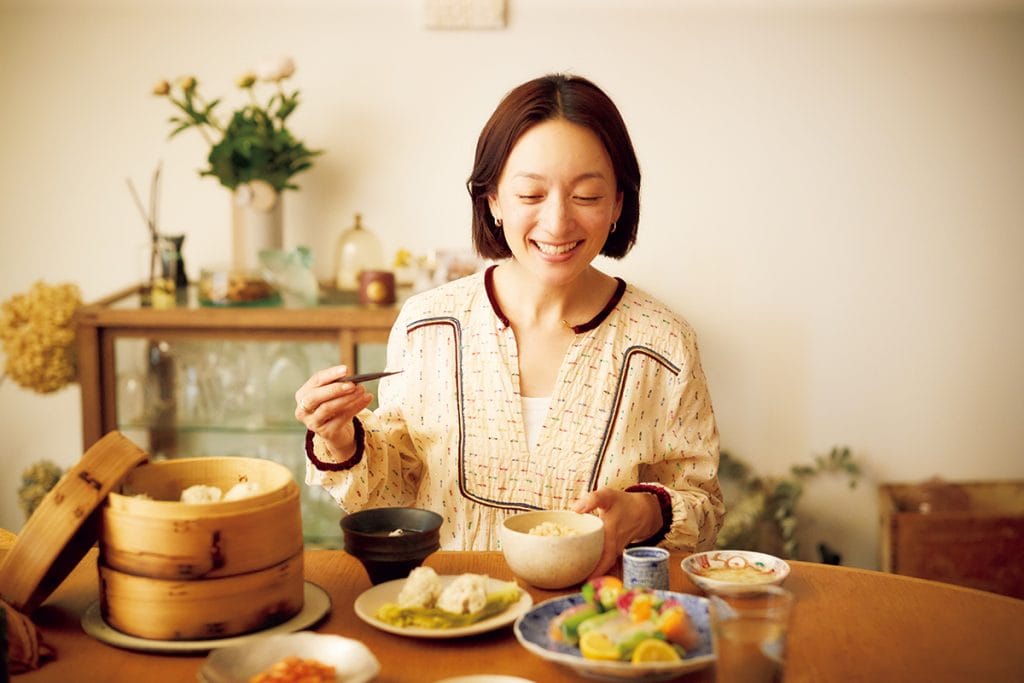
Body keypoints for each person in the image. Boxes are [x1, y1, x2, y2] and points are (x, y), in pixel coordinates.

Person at [296, 73, 724, 577]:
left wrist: (644, 512)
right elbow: (395, 495)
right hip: (450, 611)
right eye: (530, 195)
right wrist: (343, 440)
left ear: (617, 205)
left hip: (591, 624)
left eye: (586, 196)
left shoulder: (662, 342)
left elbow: (705, 505)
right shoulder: (427, 326)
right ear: (493, 199)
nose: (558, 222)